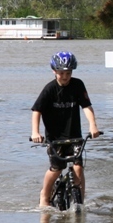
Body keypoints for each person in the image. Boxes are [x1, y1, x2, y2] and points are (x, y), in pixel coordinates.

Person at [31, 51, 101, 208]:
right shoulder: (49, 89)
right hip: (55, 138)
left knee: (78, 168)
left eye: (68, 73)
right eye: (61, 73)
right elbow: (37, 111)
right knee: (57, 169)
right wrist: (36, 132)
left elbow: (87, 107)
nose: (65, 76)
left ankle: (80, 201)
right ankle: (44, 195)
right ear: (54, 71)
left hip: (74, 135)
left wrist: (93, 125)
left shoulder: (78, 85)